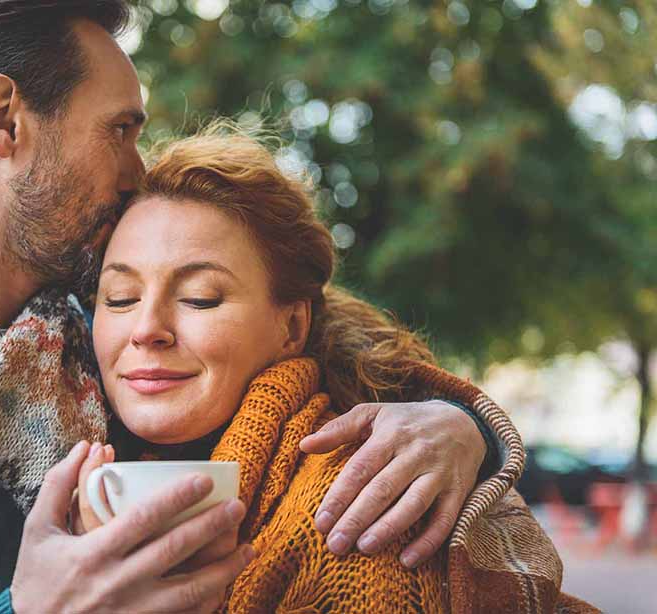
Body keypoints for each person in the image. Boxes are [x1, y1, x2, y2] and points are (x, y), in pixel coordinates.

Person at [0, 1, 514, 612]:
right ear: (5, 119)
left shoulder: (115, 355)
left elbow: (323, 349)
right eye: (119, 130)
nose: (139, 170)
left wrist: (461, 430)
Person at [74, 127, 598, 613]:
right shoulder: (56, 454)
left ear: (291, 326)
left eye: (200, 298)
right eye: (119, 298)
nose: (147, 328)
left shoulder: (359, 510)